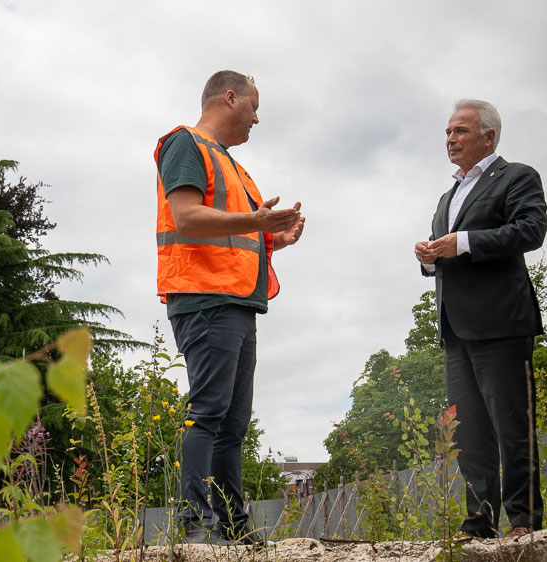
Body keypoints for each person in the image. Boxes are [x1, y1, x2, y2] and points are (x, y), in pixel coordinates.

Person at [154, 70, 305, 545]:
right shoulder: (187, 145)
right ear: (230, 97)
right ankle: (195, 528)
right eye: (254, 107)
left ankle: (233, 529)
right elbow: (186, 217)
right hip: (204, 297)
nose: (257, 119)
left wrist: (272, 238)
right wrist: (257, 219)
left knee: (233, 423)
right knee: (209, 412)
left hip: (236, 300)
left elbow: (234, 235)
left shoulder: (234, 167)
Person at [414, 99, 547, 539]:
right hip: (456, 329)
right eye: (448, 132)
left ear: (489, 136)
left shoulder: (516, 177)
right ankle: (479, 522)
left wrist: (464, 242)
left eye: (461, 131)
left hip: (502, 324)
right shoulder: (446, 196)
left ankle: (523, 521)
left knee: (513, 426)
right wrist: (430, 258)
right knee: (468, 434)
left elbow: (531, 231)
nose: (451, 139)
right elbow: (446, 250)